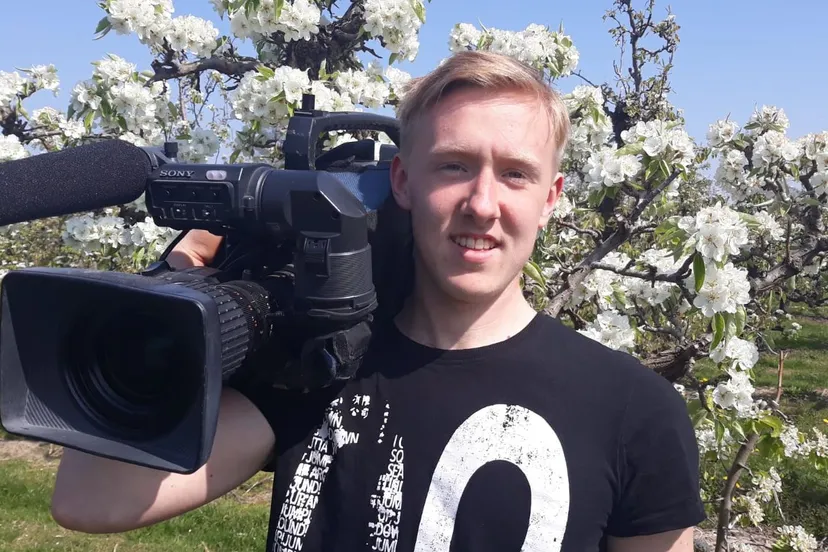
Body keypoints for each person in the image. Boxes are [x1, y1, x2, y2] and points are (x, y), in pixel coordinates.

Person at [49, 50, 706, 551]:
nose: (482, 204)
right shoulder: (320, 365)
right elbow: (88, 498)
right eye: (453, 166)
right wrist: (171, 292)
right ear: (403, 182)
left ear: (550, 198)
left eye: (514, 174)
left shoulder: (632, 410)